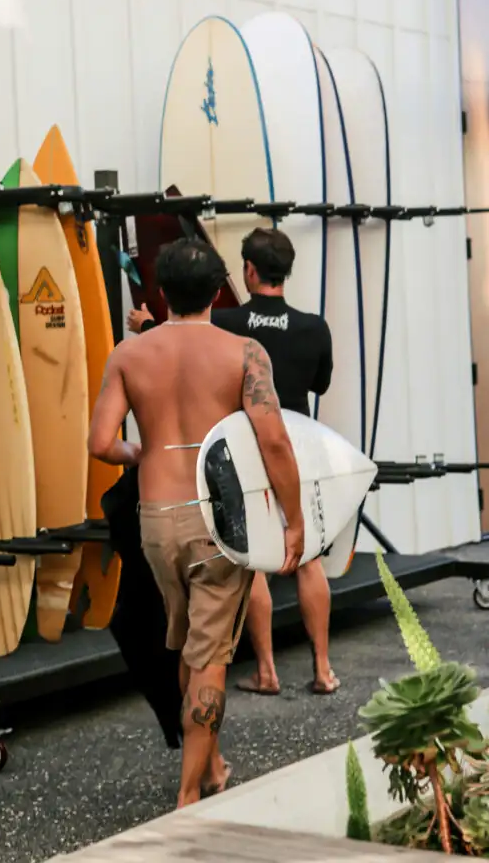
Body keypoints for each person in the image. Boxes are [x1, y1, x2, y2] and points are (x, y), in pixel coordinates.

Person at [89, 237, 305, 809]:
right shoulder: (244, 353)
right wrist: (294, 518)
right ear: (217, 291)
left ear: (161, 293)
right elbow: (275, 441)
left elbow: (100, 443)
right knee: (209, 659)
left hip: (157, 522)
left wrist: (143, 454)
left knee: (188, 646)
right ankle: (189, 798)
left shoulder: (128, 355)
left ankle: (210, 769)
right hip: (216, 525)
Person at [127, 227, 337, 696]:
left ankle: (266, 670)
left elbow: (182, 343)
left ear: (247, 270)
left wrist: (144, 327)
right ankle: (323, 669)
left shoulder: (225, 323)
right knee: (307, 559)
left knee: (255, 562)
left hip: (242, 456)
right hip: (295, 447)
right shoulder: (313, 327)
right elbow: (320, 384)